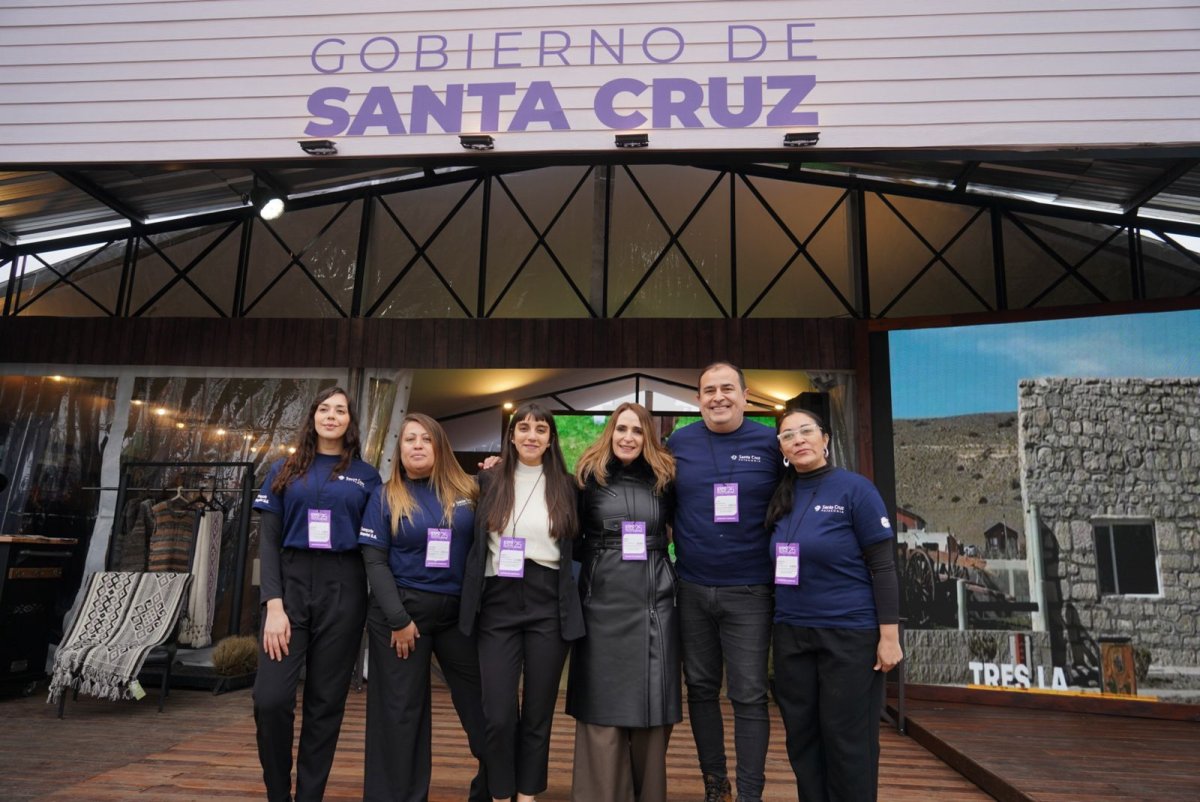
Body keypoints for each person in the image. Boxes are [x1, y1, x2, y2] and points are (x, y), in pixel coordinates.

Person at [766, 408, 902, 802]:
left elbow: (883, 567)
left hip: (849, 634)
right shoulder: (781, 494)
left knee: (847, 740)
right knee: (803, 737)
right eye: (788, 435)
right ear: (782, 448)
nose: (798, 440)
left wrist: (889, 636)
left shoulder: (855, 490)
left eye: (806, 431)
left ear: (825, 439)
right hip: (792, 633)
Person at [252, 385, 381, 802]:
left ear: (349, 422)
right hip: (289, 588)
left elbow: (376, 544)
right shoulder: (284, 469)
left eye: (340, 410)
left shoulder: (366, 476)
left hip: (344, 586)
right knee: (270, 699)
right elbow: (268, 541)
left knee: (325, 705)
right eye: (324, 409)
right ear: (313, 417)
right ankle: (278, 794)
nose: (331, 416)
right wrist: (273, 605)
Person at [665, 362, 785, 802]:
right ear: (698, 399)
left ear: (745, 395)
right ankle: (715, 784)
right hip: (691, 587)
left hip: (751, 589)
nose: (718, 397)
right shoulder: (679, 443)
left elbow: (799, 493)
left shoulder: (770, 443)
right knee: (699, 688)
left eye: (727, 389)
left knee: (749, 693)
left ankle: (751, 793)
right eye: (709, 390)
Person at [358, 413, 488, 802]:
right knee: (400, 715)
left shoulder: (470, 491)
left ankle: (493, 790)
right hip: (401, 615)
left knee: (485, 705)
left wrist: (498, 468)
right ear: (399, 449)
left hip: (458, 617)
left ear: (440, 446)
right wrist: (398, 620)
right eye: (409, 439)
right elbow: (374, 561)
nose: (417, 445)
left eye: (426, 439)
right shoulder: (384, 496)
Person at [459, 402, 584, 802]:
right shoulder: (488, 481)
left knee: (537, 713)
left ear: (551, 439)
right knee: (497, 714)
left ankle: (527, 794)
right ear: (511, 436)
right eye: (524, 428)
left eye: (541, 430)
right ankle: (500, 793)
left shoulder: (569, 486)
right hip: (497, 601)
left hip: (549, 602)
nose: (532, 436)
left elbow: (581, 546)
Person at [567, 402, 680, 802]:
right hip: (601, 603)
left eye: (637, 430)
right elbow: (570, 538)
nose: (628, 437)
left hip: (654, 602)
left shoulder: (666, 479)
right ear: (610, 433)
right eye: (621, 429)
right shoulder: (587, 478)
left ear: (648, 436)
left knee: (653, 699)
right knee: (601, 699)